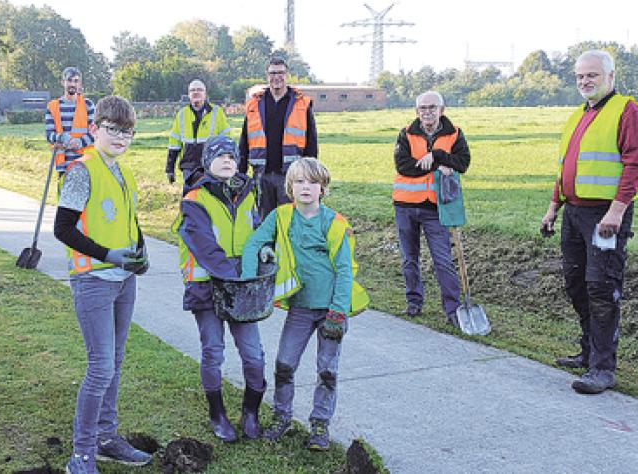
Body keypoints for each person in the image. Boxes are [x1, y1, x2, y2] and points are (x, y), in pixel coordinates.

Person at [539, 49, 638, 395]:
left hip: (605, 217)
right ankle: (588, 352)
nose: (584, 81)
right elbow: (566, 168)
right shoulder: (578, 115)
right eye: (579, 76)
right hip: (573, 213)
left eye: (592, 76)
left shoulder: (627, 111)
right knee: (576, 283)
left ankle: (603, 368)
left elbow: (636, 165)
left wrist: (616, 212)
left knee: (602, 288)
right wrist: (553, 207)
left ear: (610, 77)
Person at [241, 157, 370, 451]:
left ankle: (320, 425)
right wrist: (252, 278)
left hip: (330, 311)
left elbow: (344, 270)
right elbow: (253, 242)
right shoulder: (281, 216)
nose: (306, 188)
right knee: (284, 364)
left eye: (313, 182)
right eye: (299, 182)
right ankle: (281, 416)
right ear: (290, 187)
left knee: (327, 370)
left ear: (322, 188)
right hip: (299, 309)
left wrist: (337, 312)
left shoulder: (336, 223)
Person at [52, 96, 152, 473]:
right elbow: (62, 228)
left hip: (124, 280)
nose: (120, 137)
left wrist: (140, 251)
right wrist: (108, 255)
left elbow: (129, 220)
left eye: (127, 131)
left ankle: (107, 438)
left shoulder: (121, 171)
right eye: (112, 129)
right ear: (95, 129)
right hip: (94, 280)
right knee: (100, 367)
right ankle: (81, 455)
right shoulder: (83, 170)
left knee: (116, 361)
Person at [174, 135, 265, 442]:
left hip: (242, 292)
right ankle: (218, 414)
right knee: (213, 352)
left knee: (253, 355)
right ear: (207, 162)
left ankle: (251, 413)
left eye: (232, 156)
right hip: (207, 289)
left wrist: (266, 252)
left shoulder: (249, 193)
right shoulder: (194, 200)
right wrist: (235, 277)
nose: (228, 160)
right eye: (221, 155)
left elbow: (258, 234)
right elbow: (204, 246)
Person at [392, 91, 471, 325]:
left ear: (441, 110)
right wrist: (440, 165)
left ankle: (453, 310)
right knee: (409, 258)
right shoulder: (405, 133)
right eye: (423, 108)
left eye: (432, 107)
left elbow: (463, 163)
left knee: (443, 260)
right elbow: (404, 166)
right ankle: (414, 302)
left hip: (437, 207)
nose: (427, 112)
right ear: (417, 111)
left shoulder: (455, 134)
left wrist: (435, 155)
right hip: (405, 205)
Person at [238, 57, 318, 218]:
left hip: (290, 174)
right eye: (273, 73)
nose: (277, 77)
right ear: (267, 76)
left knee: (289, 219)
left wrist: (310, 174)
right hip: (262, 174)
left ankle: (286, 244)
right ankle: (268, 245)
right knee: (264, 220)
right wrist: (240, 173)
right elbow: (244, 140)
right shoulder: (255, 104)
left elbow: (311, 141)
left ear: (286, 75)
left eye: (280, 72)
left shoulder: (300, 103)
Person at [166, 79, 230, 186]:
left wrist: (228, 165)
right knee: (191, 199)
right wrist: (170, 169)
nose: (196, 92)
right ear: (189, 94)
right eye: (192, 90)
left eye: (199, 90)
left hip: (211, 166)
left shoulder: (217, 112)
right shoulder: (182, 114)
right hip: (189, 168)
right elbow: (174, 144)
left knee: (210, 199)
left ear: (205, 94)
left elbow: (227, 141)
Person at [45, 66, 95, 178]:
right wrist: (65, 138)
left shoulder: (88, 105)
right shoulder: (53, 106)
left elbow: (95, 132)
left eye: (76, 81)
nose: (72, 84)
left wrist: (79, 142)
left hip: (85, 162)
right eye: (69, 80)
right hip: (63, 165)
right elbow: (49, 135)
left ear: (80, 84)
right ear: (63, 82)